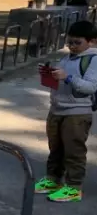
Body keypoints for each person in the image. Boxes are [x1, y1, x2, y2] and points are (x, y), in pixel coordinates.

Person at [34, 20, 97, 202]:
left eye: (78, 43)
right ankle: (53, 179)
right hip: (57, 108)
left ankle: (73, 187)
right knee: (55, 147)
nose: (73, 46)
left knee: (73, 150)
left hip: (77, 112)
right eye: (70, 42)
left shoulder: (92, 60)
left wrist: (68, 77)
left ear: (91, 42)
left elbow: (91, 87)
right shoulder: (67, 57)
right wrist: (49, 75)